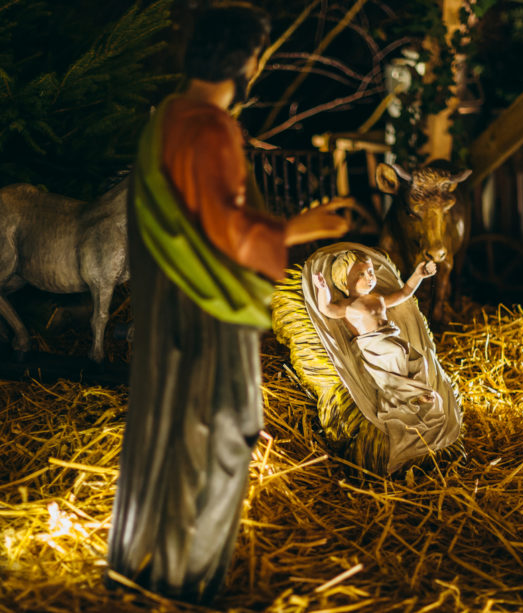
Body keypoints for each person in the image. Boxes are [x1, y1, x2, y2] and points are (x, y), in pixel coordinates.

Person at [107, 4, 350, 603]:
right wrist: (302, 227)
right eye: (259, 56)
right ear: (244, 60)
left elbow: (173, 221)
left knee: (168, 429)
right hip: (210, 312)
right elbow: (228, 231)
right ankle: (187, 574)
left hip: (168, 307)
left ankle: (143, 560)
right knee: (223, 432)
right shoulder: (211, 128)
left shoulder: (165, 117)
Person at [313, 250, 442, 419]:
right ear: (344, 281)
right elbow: (327, 309)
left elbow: (404, 293)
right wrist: (322, 289)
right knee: (396, 354)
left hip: (389, 337)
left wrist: (418, 275)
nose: (369, 277)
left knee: (418, 359)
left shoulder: (377, 298)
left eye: (371, 272)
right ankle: (407, 394)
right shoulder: (348, 305)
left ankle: (417, 390)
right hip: (371, 344)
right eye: (361, 274)